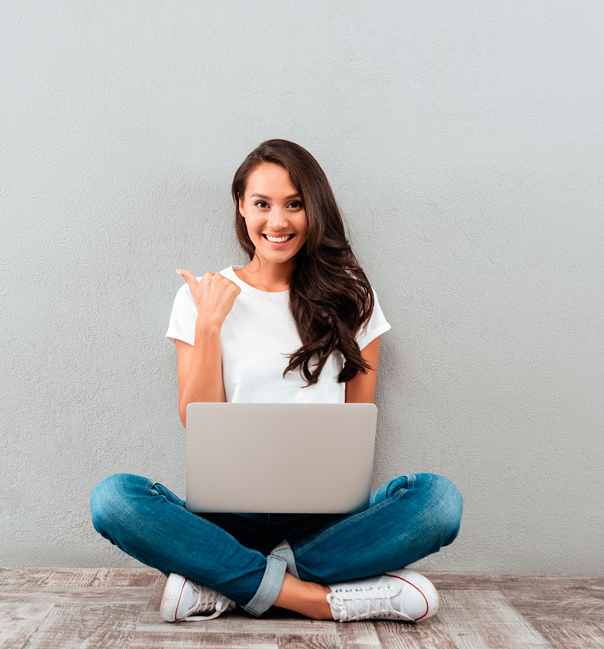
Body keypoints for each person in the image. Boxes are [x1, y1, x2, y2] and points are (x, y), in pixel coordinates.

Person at [90, 139, 463, 623]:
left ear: (315, 209)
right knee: (113, 499)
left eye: (294, 204)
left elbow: (358, 423)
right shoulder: (201, 298)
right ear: (241, 208)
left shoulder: (354, 296)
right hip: (226, 520)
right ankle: (316, 599)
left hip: (325, 524)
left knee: (438, 502)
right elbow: (196, 418)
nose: (278, 221)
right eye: (262, 204)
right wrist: (208, 325)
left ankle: (225, 584)